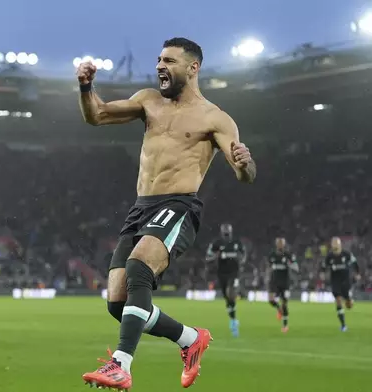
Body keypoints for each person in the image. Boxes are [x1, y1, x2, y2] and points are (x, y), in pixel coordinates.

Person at [77, 37, 256, 391]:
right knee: (118, 301)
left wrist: (245, 163)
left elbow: (244, 175)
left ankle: (121, 364)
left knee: (139, 266)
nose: (160, 65)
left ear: (193, 68)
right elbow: (96, 115)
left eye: (169, 60)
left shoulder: (215, 117)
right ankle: (190, 338)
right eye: (159, 59)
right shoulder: (148, 101)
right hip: (140, 207)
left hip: (179, 205)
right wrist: (86, 87)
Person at [205, 223, 245, 337]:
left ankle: (233, 322)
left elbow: (243, 254)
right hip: (222, 273)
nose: (226, 234)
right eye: (225, 232)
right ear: (222, 232)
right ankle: (233, 319)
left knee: (230, 293)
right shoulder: (216, 243)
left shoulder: (237, 242)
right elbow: (208, 257)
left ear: (231, 232)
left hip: (234, 273)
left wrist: (241, 260)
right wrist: (216, 256)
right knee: (228, 299)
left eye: (228, 232)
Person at [322, 237, 360, 332]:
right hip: (335, 282)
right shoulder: (329, 256)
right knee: (338, 300)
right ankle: (343, 325)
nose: (335, 246)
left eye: (336, 244)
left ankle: (350, 300)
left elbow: (355, 263)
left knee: (349, 305)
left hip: (346, 281)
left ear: (340, 245)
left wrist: (357, 273)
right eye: (333, 245)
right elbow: (324, 266)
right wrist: (322, 273)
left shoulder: (346, 254)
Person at [266, 237, 298, 332]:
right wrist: (267, 277)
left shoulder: (288, 255)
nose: (280, 245)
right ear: (276, 244)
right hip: (274, 281)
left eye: (281, 243)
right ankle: (278, 308)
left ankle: (285, 325)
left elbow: (296, 267)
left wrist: (290, 264)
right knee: (271, 300)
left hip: (285, 282)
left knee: (284, 303)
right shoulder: (272, 255)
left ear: (284, 244)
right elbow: (269, 267)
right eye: (278, 243)